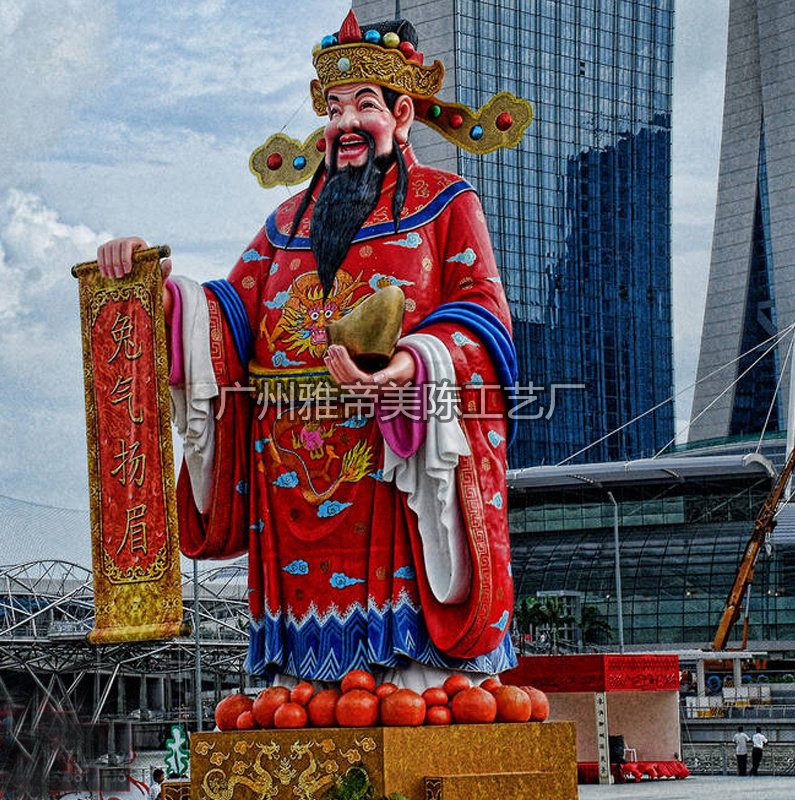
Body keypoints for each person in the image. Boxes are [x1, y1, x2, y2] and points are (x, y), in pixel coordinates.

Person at [96, 12, 523, 689]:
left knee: (407, 686)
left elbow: (483, 314)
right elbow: (226, 314)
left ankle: (413, 680)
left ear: (402, 115)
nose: (345, 123)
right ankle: (305, 682)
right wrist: (154, 293)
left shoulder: (445, 204)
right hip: (286, 469)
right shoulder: (287, 221)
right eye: (333, 108)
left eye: (364, 105)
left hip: (392, 451)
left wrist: (412, 363)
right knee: (301, 695)